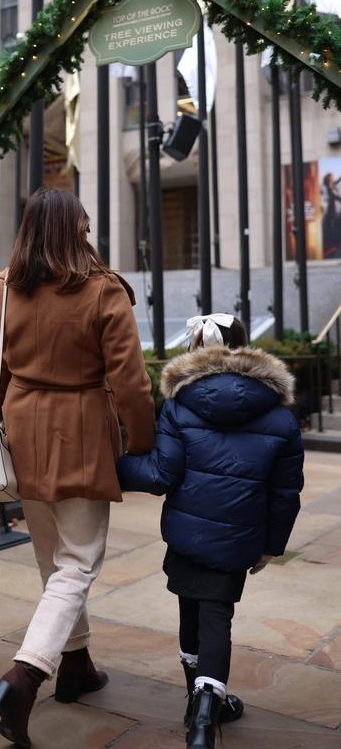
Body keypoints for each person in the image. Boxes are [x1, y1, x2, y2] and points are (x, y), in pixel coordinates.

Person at [0, 188, 155, 748]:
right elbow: (131, 381)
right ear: (76, 227)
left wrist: (1, 422)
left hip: (24, 427)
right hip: (79, 430)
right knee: (78, 562)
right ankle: (26, 677)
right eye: (84, 221)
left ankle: (76, 666)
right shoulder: (103, 290)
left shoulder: (4, 288)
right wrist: (142, 443)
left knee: (52, 559)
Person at [118, 314, 304, 749]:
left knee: (190, 612)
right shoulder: (279, 416)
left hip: (187, 531)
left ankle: (195, 697)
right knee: (217, 617)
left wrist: (110, 468)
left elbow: (163, 472)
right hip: (239, 537)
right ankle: (206, 714)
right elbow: (285, 493)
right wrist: (271, 545)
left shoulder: (180, 404)